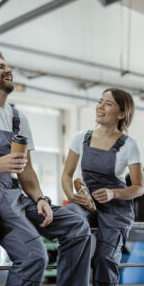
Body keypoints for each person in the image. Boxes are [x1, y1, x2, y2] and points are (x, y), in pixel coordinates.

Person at [0, 50, 92, 286]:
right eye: (0, 67)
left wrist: (40, 198)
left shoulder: (17, 117)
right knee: (33, 256)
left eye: (8, 66)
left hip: (12, 193)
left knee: (77, 227)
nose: (8, 70)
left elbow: (26, 170)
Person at [62, 88, 144, 286]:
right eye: (100, 101)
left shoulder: (129, 146)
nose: (100, 107)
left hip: (116, 207)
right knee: (69, 223)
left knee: (105, 258)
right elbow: (67, 175)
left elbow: (139, 187)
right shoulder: (81, 137)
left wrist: (113, 192)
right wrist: (72, 197)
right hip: (85, 201)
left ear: (121, 113)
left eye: (108, 103)